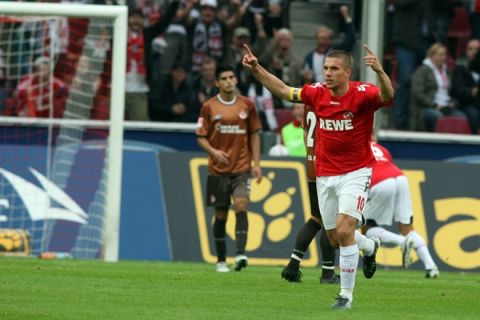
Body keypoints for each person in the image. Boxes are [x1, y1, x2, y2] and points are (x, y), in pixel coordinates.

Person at [242, 43, 394, 310]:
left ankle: (345, 296)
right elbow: (283, 90)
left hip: (356, 172)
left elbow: (387, 96)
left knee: (346, 229)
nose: (327, 73)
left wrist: (380, 72)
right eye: (325, 68)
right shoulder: (316, 93)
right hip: (325, 174)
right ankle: (370, 247)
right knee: (336, 238)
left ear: (347, 72)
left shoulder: (363, 93)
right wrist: (257, 69)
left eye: (334, 69)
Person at [196, 65, 262, 273]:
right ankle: (221, 260)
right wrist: (214, 152)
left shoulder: (247, 105)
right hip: (218, 170)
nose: (228, 81)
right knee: (221, 214)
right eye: (224, 78)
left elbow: (254, 133)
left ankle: (241, 253)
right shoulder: (209, 107)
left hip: (241, 168)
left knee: (241, 206)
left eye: (231, 77)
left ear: (236, 80)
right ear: (217, 83)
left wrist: (257, 163)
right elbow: (200, 137)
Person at [362, 136, 440, 278]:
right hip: (399, 177)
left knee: (367, 228)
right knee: (407, 228)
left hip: (380, 181)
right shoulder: (382, 149)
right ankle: (431, 266)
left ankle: (403, 242)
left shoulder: (357, 146)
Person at [281, 103, 340, 284]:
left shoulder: (309, 106)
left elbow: (306, 135)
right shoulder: (331, 104)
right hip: (327, 168)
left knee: (316, 218)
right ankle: (328, 273)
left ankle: (292, 266)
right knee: (330, 222)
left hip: (311, 167)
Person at [409, 42, 466, 132]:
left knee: (461, 117)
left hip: (446, 106)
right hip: (427, 108)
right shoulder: (422, 71)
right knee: (438, 117)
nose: (443, 58)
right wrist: (434, 105)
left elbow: (451, 92)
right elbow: (417, 93)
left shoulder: (447, 71)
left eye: (445, 55)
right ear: (432, 55)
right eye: (440, 55)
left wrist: (453, 103)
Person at [303, 5, 356, 85]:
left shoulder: (336, 53)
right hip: (318, 92)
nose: (321, 42)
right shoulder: (309, 57)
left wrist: (346, 17)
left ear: (330, 40)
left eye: (324, 39)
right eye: (319, 38)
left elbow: (351, 39)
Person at [451, 38, 480, 133]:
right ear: (466, 51)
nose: (474, 52)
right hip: (466, 104)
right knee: (474, 114)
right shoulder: (460, 68)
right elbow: (457, 89)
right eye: (470, 49)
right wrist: (471, 92)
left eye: (477, 49)